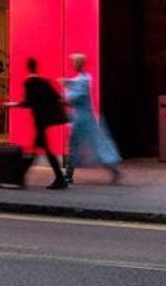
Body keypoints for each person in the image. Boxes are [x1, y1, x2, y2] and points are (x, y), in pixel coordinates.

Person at [63, 53, 121, 185]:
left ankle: (69, 175)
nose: (73, 65)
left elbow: (74, 97)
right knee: (79, 145)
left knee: (88, 145)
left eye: (74, 62)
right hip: (82, 117)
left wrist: (65, 90)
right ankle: (68, 174)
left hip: (83, 119)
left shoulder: (83, 81)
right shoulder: (82, 79)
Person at [20, 57, 70, 189]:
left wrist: (15, 104)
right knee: (40, 150)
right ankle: (59, 178)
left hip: (38, 121)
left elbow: (29, 102)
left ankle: (20, 177)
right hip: (45, 120)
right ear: (36, 67)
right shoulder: (44, 82)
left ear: (28, 67)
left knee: (38, 151)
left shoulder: (29, 83)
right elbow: (57, 98)